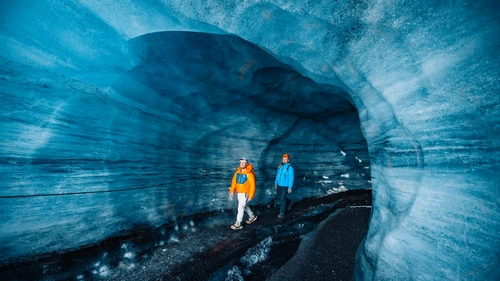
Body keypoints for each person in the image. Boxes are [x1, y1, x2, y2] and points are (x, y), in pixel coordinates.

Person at [229, 158, 258, 230]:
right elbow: (234, 182)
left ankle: (238, 223)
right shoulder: (237, 172)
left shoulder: (249, 174)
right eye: (241, 162)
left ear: (246, 164)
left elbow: (252, 185)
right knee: (243, 206)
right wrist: (232, 191)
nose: (241, 164)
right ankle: (252, 216)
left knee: (240, 207)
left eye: (243, 163)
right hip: (239, 193)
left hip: (245, 193)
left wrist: (251, 195)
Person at [275, 153, 294, 219]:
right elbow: (277, 175)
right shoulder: (280, 166)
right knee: (279, 197)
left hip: (285, 186)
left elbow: (291, 177)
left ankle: (282, 213)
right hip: (279, 185)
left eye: (286, 159)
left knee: (282, 198)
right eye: (283, 159)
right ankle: (289, 202)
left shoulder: (289, 167)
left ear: (288, 160)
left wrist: (290, 187)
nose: (284, 160)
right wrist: (275, 183)